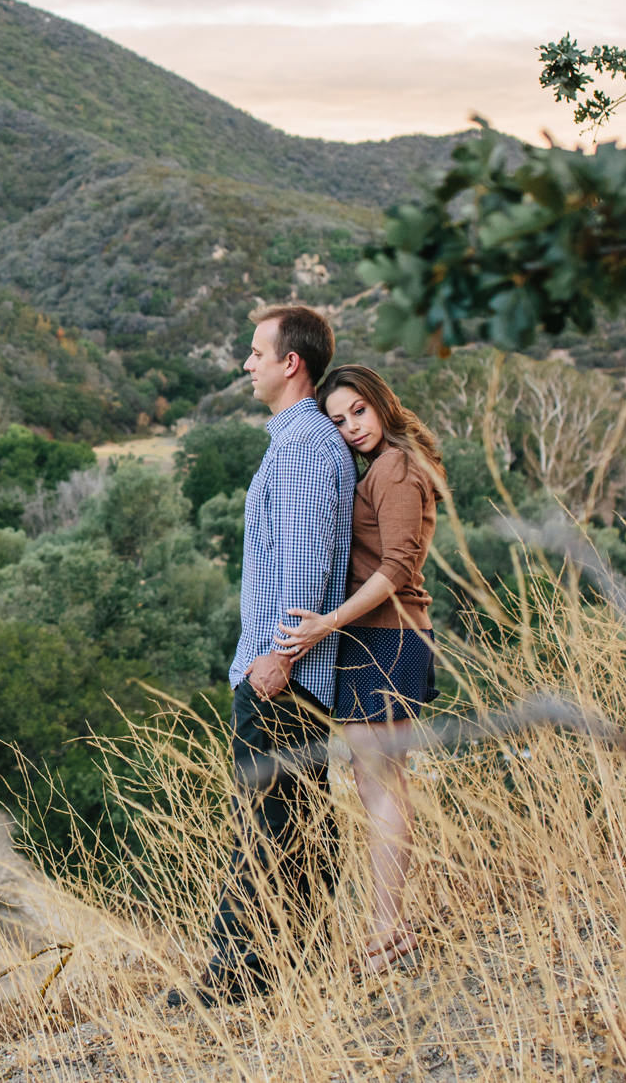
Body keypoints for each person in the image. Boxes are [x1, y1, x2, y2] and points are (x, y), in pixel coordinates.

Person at [168, 304, 356, 1007]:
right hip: (281, 669)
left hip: (283, 675)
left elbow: (306, 567)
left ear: (291, 363)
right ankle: (298, 957)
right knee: (295, 818)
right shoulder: (295, 440)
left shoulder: (306, 446)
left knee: (270, 821)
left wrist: (274, 660)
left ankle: (237, 973)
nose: (246, 364)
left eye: (255, 352)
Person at [274, 364, 441, 976]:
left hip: (388, 641)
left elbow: (397, 566)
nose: (350, 429)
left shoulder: (396, 467)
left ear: (382, 404)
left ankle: (388, 935)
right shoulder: (387, 465)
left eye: (358, 413)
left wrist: (327, 623)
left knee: (381, 789)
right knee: (378, 786)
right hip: (381, 642)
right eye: (338, 421)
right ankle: (387, 933)